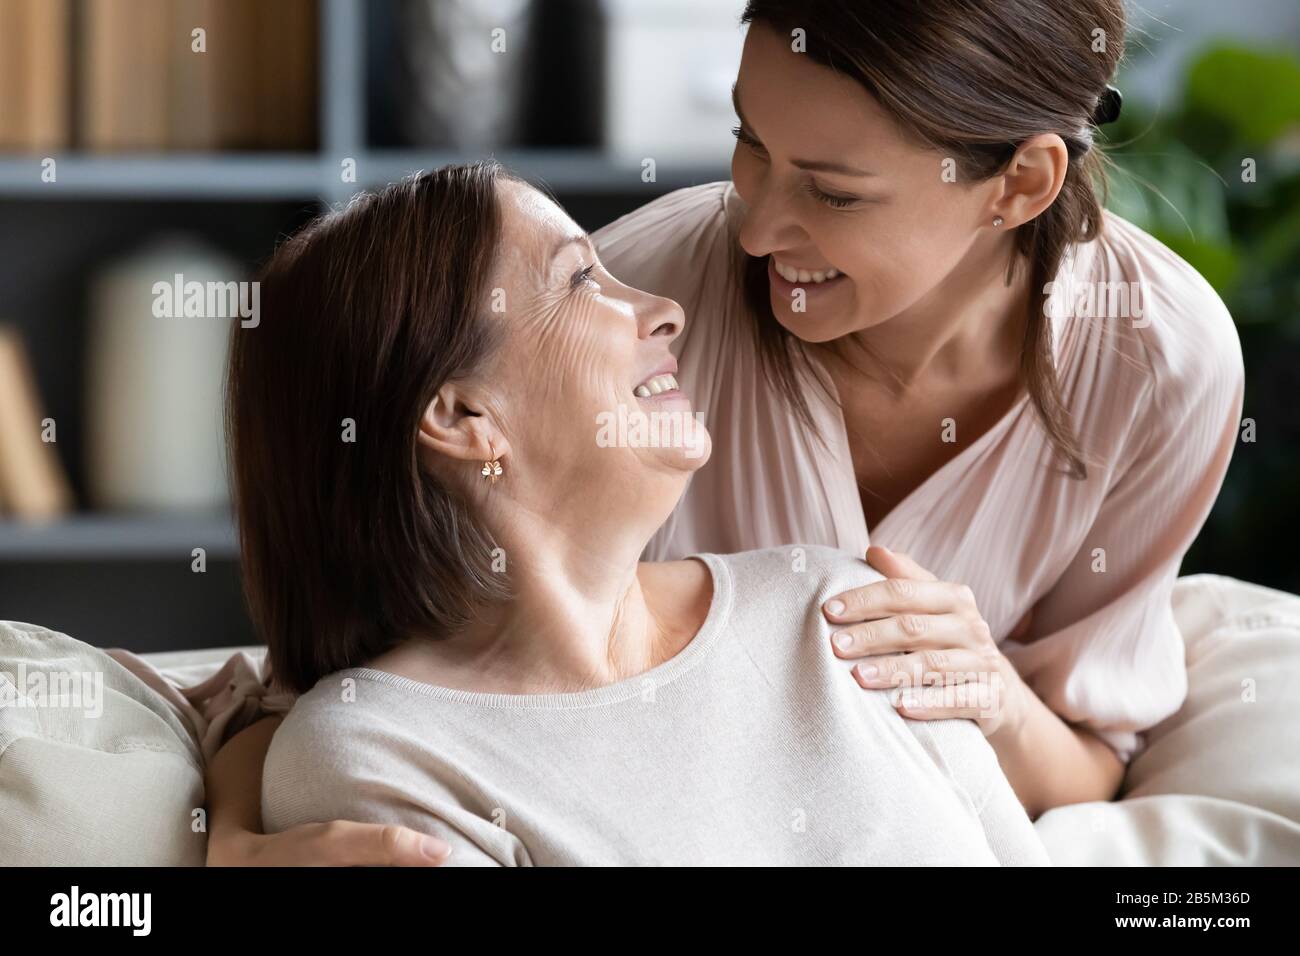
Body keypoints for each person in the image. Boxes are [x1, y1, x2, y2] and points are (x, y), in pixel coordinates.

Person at [205, 0, 1243, 865]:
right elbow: (362, 635)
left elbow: (1092, 763)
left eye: (833, 191)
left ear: (1019, 183)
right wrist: (236, 836)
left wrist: (988, 696)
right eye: (748, 140)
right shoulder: (648, 292)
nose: (752, 229)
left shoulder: (1158, 361)